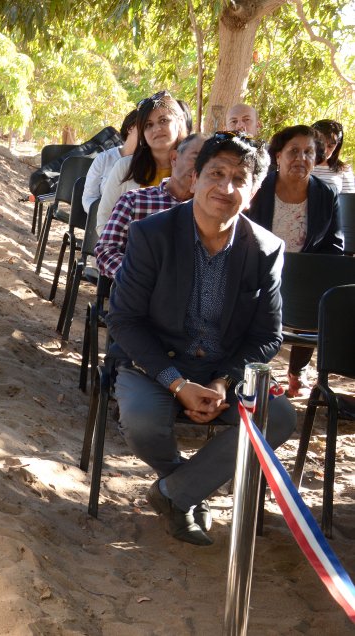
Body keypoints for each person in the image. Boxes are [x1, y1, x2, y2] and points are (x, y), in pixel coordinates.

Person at [107, 132, 297, 546]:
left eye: (239, 178)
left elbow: (267, 336)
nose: (225, 188)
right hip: (153, 363)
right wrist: (176, 382)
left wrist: (220, 382)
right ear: (194, 178)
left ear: (254, 192)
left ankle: (175, 494)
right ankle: (188, 488)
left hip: (221, 371)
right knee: (141, 421)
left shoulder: (265, 250)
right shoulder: (150, 235)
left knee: (280, 416)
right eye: (216, 173)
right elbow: (123, 320)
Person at [247, 125, 343, 397]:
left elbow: (333, 245)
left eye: (309, 152)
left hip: (304, 277)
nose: (301, 158)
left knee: (316, 295)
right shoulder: (259, 187)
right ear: (278, 156)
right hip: (259, 268)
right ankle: (255, 369)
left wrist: (311, 273)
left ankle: (296, 371)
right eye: (294, 151)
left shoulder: (326, 194)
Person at [94, 134, 206, 279]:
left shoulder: (210, 212)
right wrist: (140, 278)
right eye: (196, 158)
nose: (200, 168)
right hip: (137, 292)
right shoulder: (134, 201)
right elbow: (106, 251)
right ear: (174, 158)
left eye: (208, 163)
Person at [96, 91, 188, 235]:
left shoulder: (195, 168)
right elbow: (103, 220)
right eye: (148, 125)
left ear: (179, 122)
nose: (156, 129)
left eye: (163, 120)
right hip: (129, 253)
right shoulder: (125, 167)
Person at [83, 109, 139, 212]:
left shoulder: (152, 161)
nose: (150, 131)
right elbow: (89, 197)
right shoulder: (103, 159)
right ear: (130, 128)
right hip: (103, 220)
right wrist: (101, 214)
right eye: (146, 126)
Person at [310, 119, 355, 194]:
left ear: (337, 146)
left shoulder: (344, 169)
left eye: (330, 146)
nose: (324, 150)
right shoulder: (300, 165)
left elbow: (348, 202)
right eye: (320, 145)